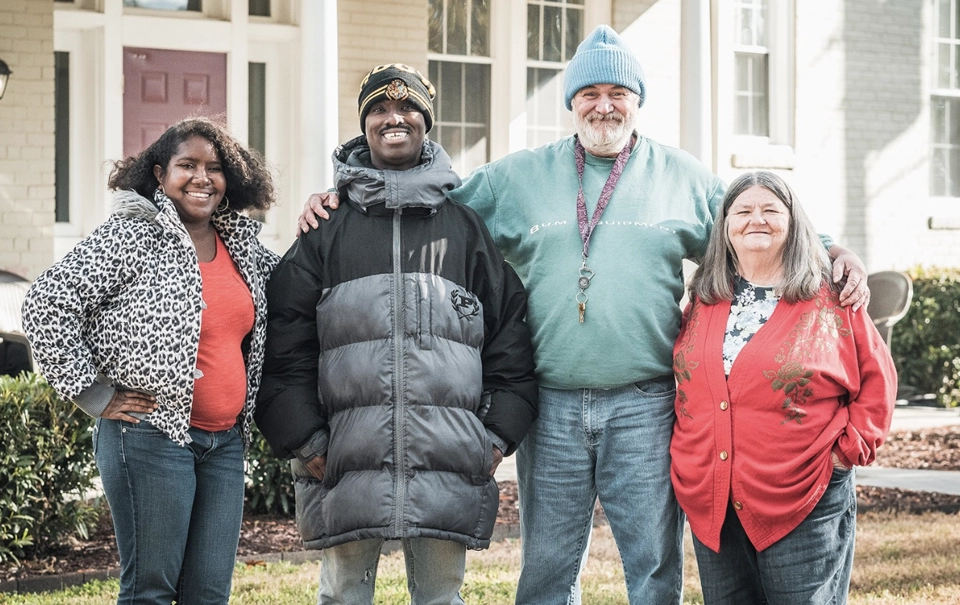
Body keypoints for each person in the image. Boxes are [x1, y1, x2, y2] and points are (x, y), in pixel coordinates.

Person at [298, 27, 870, 604]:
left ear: (637, 100)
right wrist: (341, 199)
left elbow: (758, 220)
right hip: (553, 406)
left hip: (646, 403)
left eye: (618, 91)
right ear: (570, 101)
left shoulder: (682, 176)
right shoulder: (517, 177)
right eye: (589, 92)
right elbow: (422, 206)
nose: (604, 105)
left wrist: (833, 249)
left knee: (653, 567)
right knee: (547, 568)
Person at [254, 63, 539, 605]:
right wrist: (304, 437)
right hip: (342, 455)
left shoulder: (465, 229)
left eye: (408, 108)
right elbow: (282, 343)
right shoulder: (325, 231)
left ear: (427, 122)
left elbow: (509, 340)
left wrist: (495, 436)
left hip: (448, 457)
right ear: (363, 125)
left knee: (439, 598)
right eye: (379, 109)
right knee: (343, 596)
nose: (394, 118)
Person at [21, 116, 279, 605]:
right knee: (151, 592)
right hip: (149, 436)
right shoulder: (132, 236)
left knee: (208, 593)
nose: (203, 177)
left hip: (224, 445)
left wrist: (330, 210)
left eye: (216, 168)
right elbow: (47, 301)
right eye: (188, 165)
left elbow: (296, 284)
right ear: (159, 174)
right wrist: (95, 393)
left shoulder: (241, 246)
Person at [671, 171, 896, 604]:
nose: (757, 219)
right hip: (714, 498)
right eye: (743, 211)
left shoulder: (831, 294)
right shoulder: (706, 296)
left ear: (794, 224)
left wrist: (845, 454)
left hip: (803, 495)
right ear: (725, 227)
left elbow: (877, 380)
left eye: (771, 210)